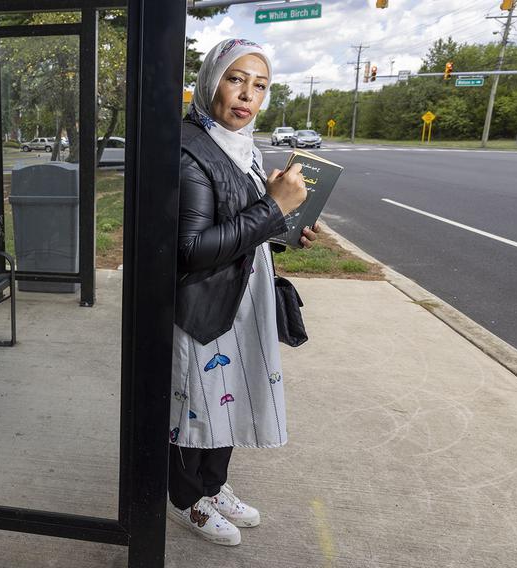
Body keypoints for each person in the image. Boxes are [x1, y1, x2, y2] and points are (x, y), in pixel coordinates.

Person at [168, 38, 319, 546]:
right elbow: (190, 249)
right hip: (203, 307)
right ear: (211, 81)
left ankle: (212, 486)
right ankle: (185, 499)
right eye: (236, 79)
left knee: (227, 403)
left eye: (260, 85)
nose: (247, 94)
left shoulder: (244, 148)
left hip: (241, 300)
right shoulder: (189, 149)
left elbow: (243, 227)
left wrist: (288, 229)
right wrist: (272, 208)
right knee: (198, 406)